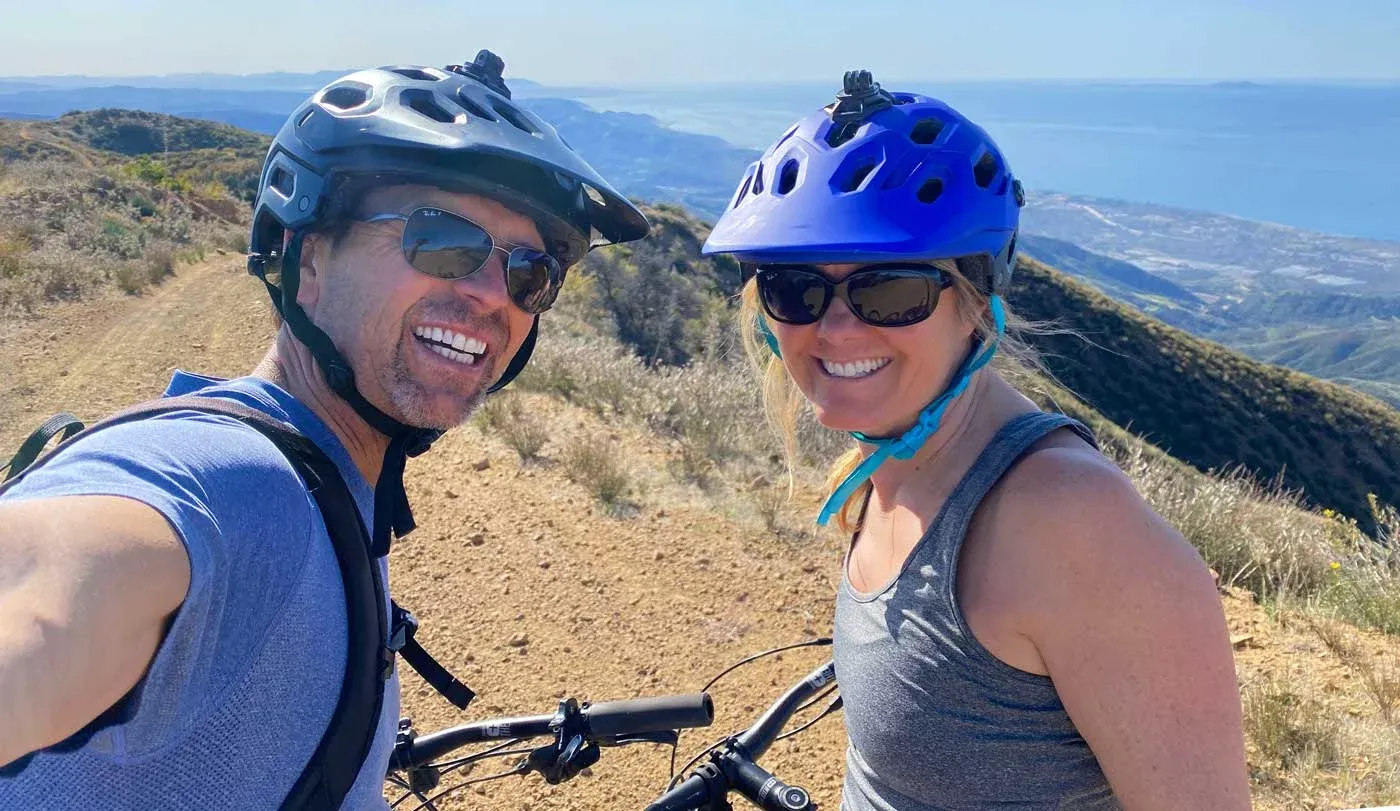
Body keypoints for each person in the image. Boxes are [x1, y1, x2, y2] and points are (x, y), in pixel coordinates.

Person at [0, 51, 648, 809]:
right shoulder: (229, 484)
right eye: (442, 241)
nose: (489, 295)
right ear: (307, 254)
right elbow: (53, 591)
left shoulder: (334, 483)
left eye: (529, 273)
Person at [701, 71, 1250, 810]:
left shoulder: (1072, 523)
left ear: (972, 305)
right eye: (795, 289)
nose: (833, 329)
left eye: (889, 292)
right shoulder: (891, 458)